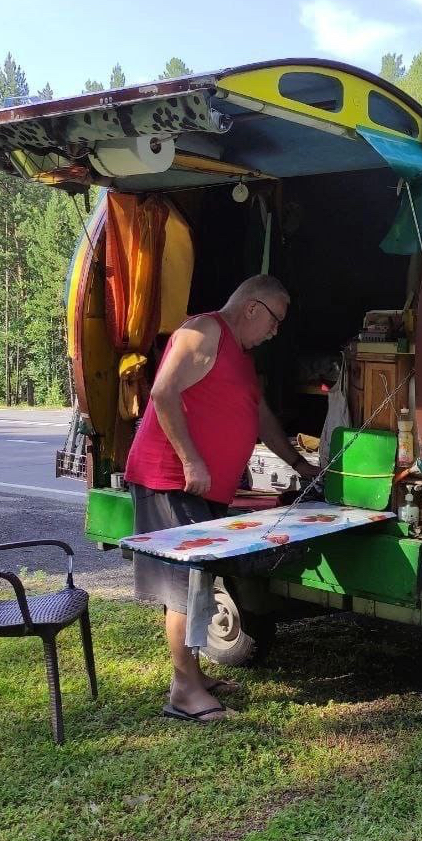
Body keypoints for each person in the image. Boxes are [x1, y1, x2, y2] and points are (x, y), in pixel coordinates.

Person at [124, 274, 318, 723]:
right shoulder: (204, 330)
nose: (275, 332)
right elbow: (162, 392)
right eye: (275, 321)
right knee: (183, 587)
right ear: (252, 307)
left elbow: (260, 417)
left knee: (199, 581)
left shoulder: (241, 355)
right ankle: (184, 691)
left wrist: (297, 463)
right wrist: (191, 461)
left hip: (202, 486)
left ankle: (194, 675)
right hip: (170, 478)